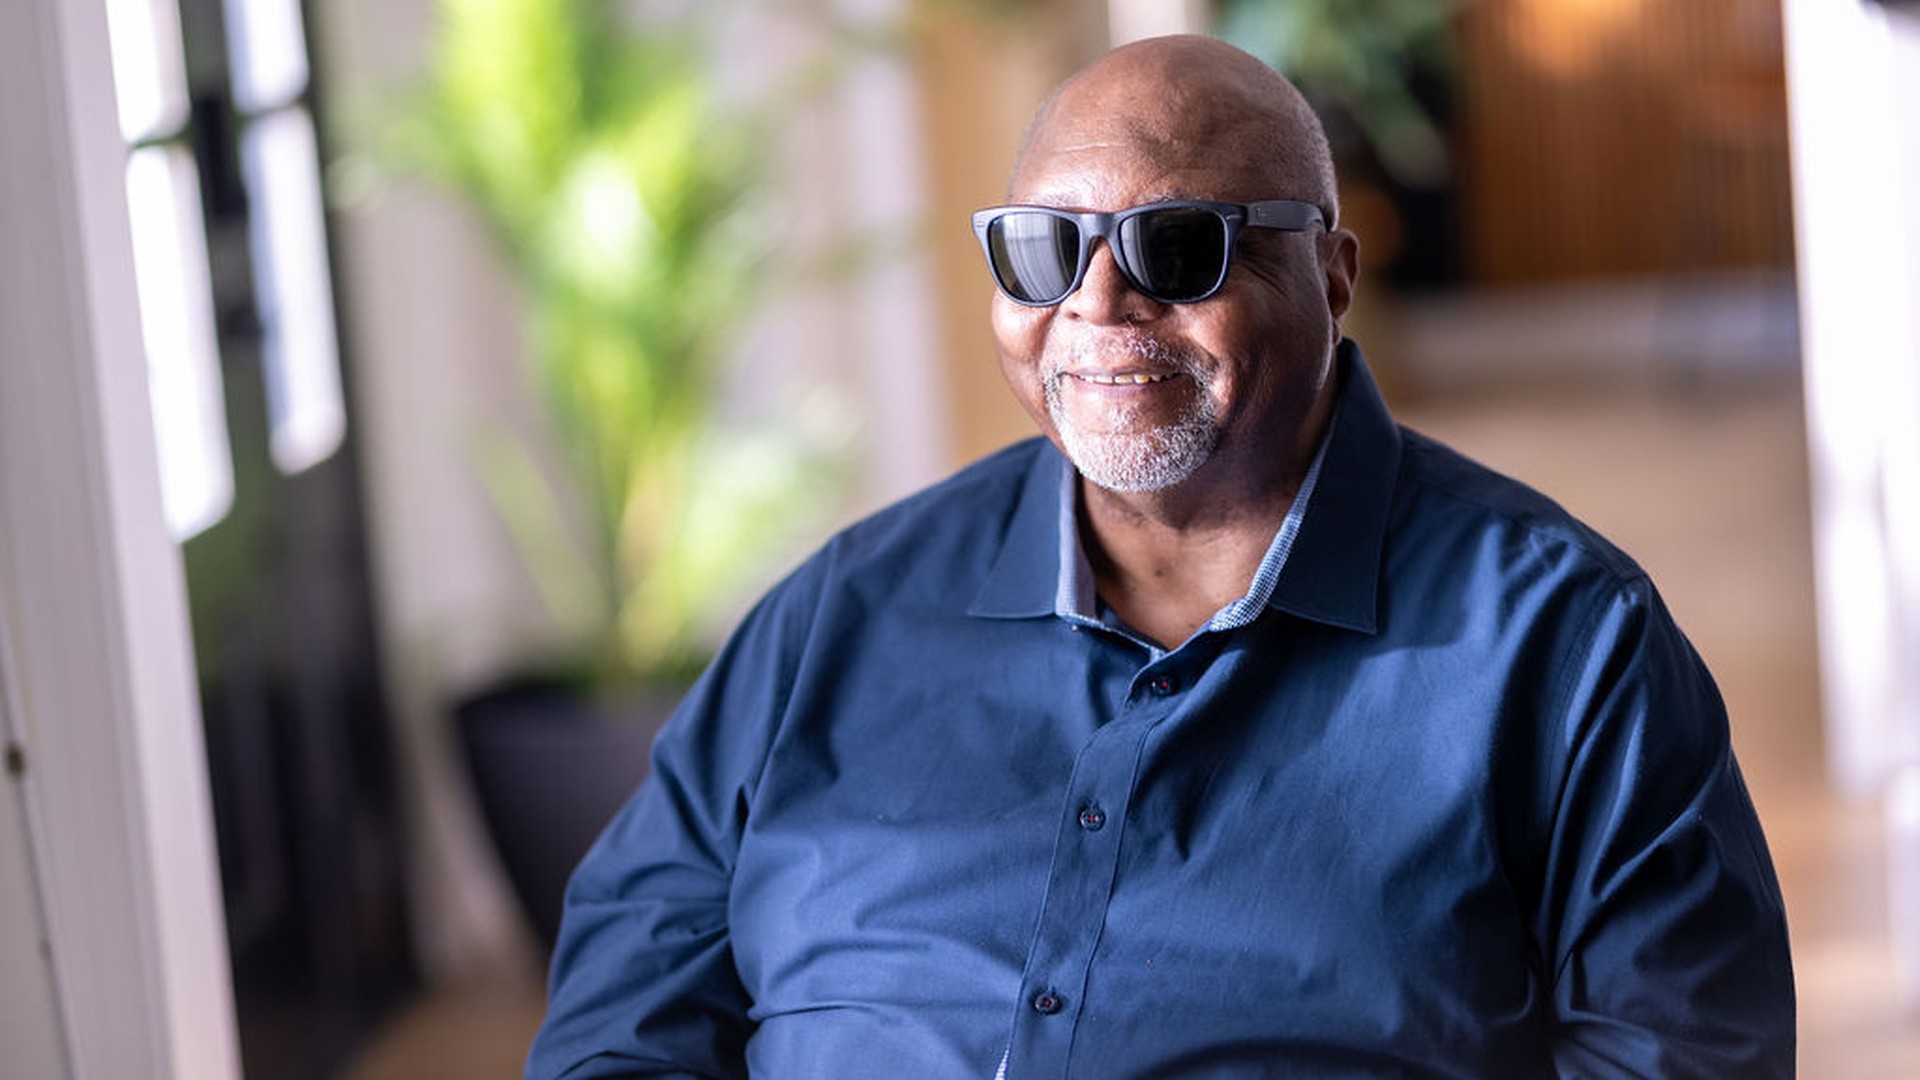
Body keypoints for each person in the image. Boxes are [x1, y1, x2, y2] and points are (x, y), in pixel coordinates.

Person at [526, 34, 1794, 1079]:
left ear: (1334, 274)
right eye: (1044, 248)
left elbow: (1685, 1054)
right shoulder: (837, 616)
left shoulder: (1567, 646)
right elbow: (626, 1011)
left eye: (1175, 248)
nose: (1096, 305)